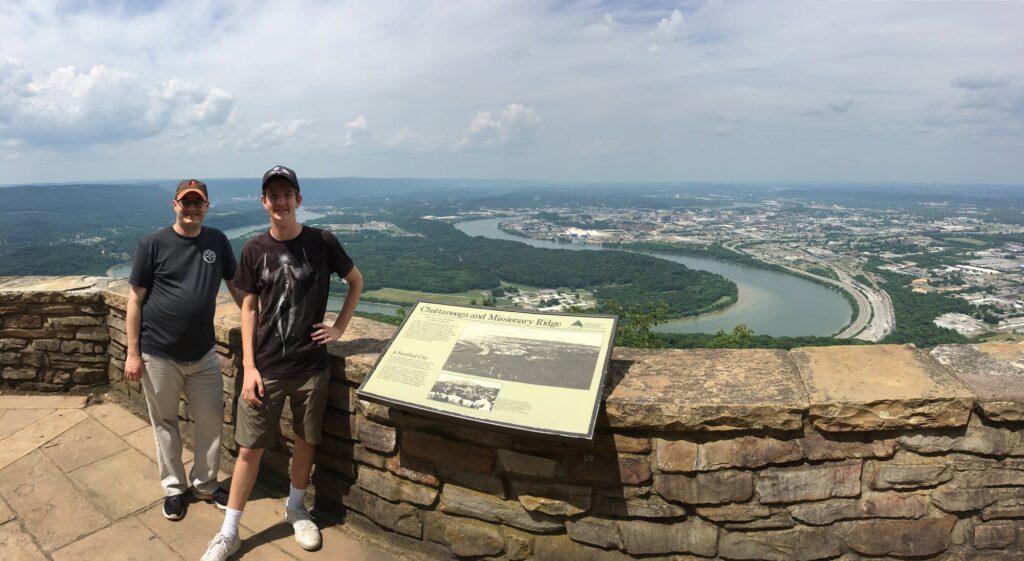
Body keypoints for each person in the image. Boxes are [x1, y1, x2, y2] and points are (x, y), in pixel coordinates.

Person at [203, 165, 363, 561]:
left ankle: (296, 509)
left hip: (311, 367)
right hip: (267, 369)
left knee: (307, 441)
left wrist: (340, 328)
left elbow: (356, 280)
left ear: (298, 200)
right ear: (264, 202)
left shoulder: (322, 242)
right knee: (248, 450)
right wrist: (251, 367)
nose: (280, 201)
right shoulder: (255, 249)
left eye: (286, 194)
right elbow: (248, 307)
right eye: (273, 195)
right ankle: (229, 532)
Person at [126, 179, 244, 521]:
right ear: (174, 205)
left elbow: (235, 287)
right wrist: (133, 353)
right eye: (185, 202)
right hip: (157, 354)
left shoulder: (217, 241)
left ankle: (205, 484)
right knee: (164, 422)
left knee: (210, 421)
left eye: (198, 203)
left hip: (204, 353)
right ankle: (174, 488)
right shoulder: (153, 244)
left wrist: (258, 320)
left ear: (207, 207)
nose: (191, 208)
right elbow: (135, 301)